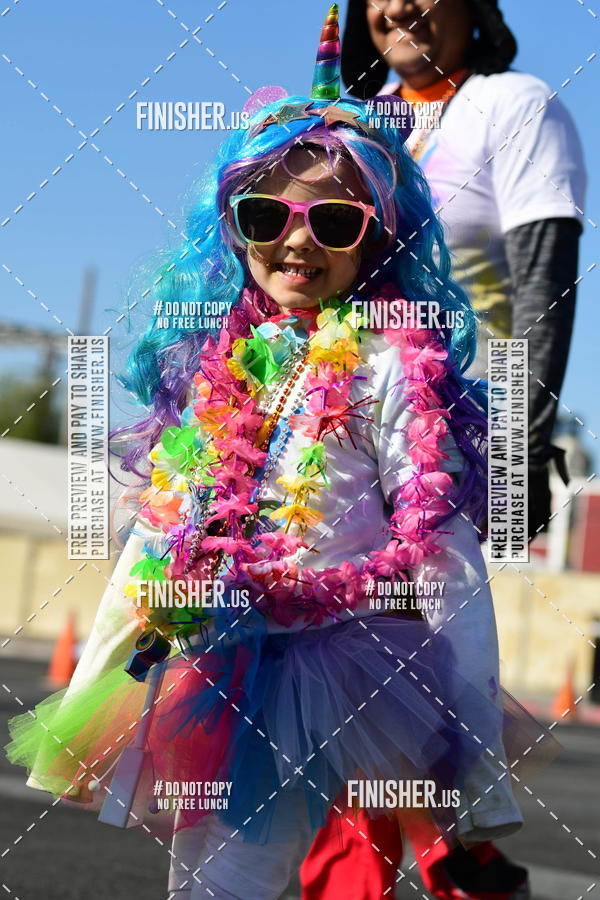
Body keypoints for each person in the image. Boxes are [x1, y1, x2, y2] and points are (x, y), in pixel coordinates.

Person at [5, 7, 553, 899]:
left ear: (375, 242)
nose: (297, 239)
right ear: (236, 225)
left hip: (327, 670)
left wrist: (473, 747)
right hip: (210, 658)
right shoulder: (227, 360)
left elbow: (442, 551)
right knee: (201, 882)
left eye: (334, 224)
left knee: (233, 881)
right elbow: (162, 535)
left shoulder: (387, 364)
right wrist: (100, 676)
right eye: (269, 213)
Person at [300, 1, 585, 898]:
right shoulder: (355, 122)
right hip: (337, 430)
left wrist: (524, 442)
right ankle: (456, 860)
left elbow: (542, 279)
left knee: (379, 658)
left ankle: (411, 866)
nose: (400, 6)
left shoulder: (515, 105)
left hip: (451, 442)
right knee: (336, 662)